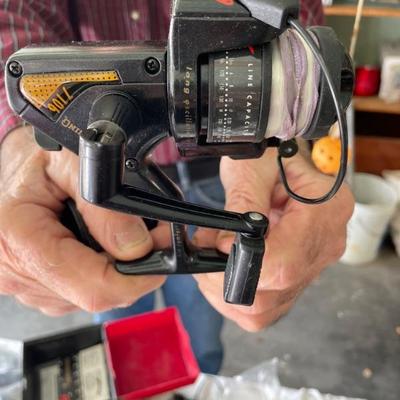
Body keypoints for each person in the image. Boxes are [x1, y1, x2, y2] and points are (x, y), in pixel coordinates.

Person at [0, 0, 353, 374]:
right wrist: (18, 146)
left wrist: (281, 142)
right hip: (89, 168)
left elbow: (297, 42)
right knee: (117, 334)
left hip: (221, 171)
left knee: (201, 338)